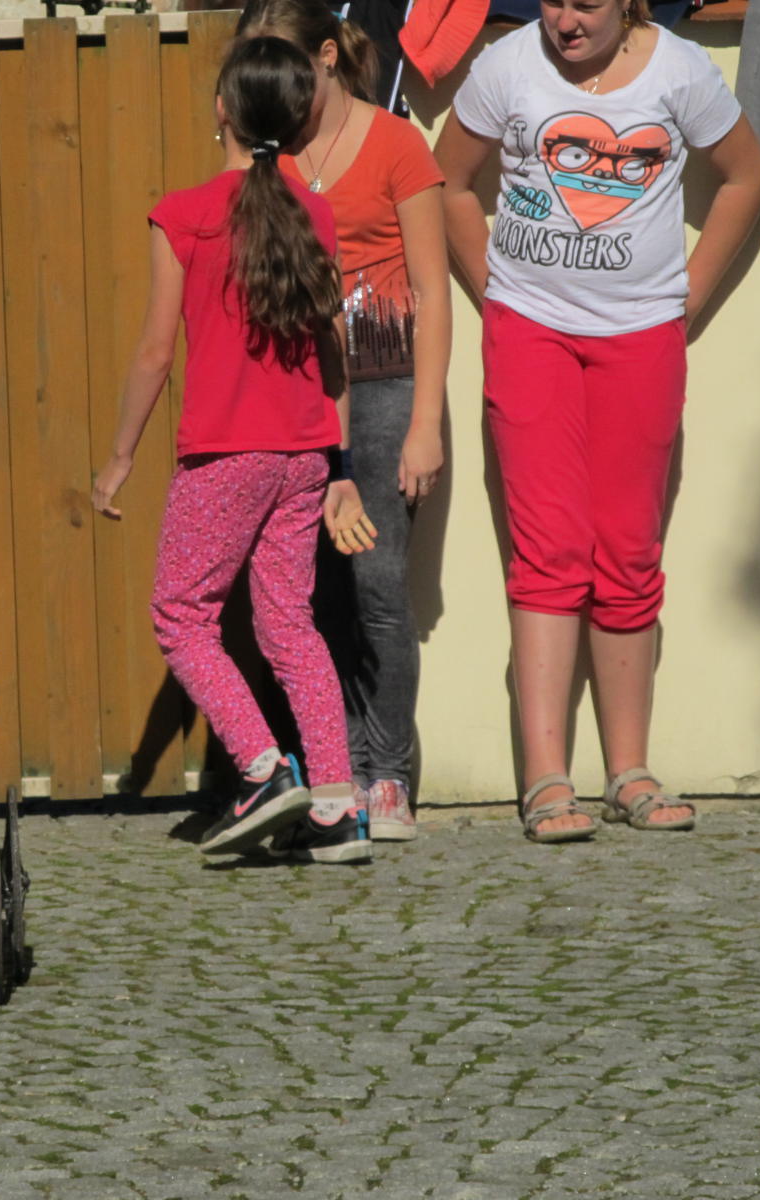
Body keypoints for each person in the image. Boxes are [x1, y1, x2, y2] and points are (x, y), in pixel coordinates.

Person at [434, 0, 760, 841]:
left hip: (642, 339)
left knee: (628, 546)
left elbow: (746, 176)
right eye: (552, 0)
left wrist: (687, 298)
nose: (565, 21)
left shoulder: (680, 69)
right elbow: (448, 182)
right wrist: (496, 297)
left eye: (586, 3)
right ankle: (545, 779)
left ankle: (629, 772)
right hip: (531, 337)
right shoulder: (509, 64)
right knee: (547, 550)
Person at [91, 35, 379, 865]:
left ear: (222, 109)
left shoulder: (183, 213)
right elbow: (332, 349)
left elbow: (155, 351)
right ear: (299, 118)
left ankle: (262, 769)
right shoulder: (314, 211)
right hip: (304, 455)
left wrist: (119, 458)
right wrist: (338, 462)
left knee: (181, 616)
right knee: (289, 624)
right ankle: (336, 807)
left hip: (226, 456)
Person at [236, 0, 451, 843]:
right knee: (308, 593)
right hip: (297, 394)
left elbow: (432, 290)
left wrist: (425, 421)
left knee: (378, 585)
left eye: (282, 55)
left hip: (387, 383)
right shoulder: (268, 151)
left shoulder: (397, 144)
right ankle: (336, 771)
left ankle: (388, 774)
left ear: (326, 55)